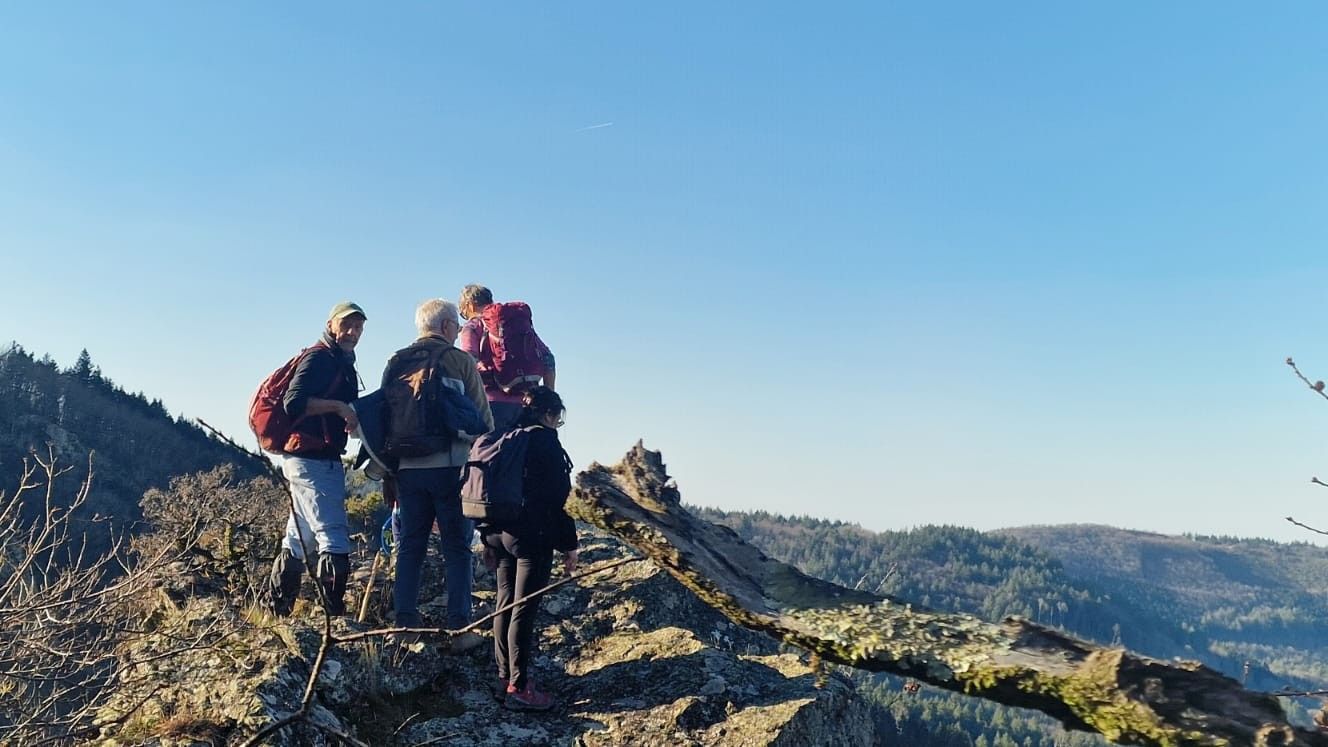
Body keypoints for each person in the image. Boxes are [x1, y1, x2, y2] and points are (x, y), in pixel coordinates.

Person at [388, 298, 493, 651]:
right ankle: (459, 628)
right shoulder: (459, 360)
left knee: (410, 546)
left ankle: (405, 625)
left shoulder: (396, 362)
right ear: (447, 326)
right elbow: (484, 422)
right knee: (457, 548)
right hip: (450, 467)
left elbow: (383, 416)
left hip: (407, 469)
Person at [479, 386, 578, 711]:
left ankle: (503, 678)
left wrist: (485, 536)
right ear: (549, 414)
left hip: (498, 532)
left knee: (504, 604)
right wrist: (569, 545)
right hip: (530, 536)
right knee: (523, 609)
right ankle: (519, 687)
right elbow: (559, 499)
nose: (557, 424)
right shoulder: (544, 441)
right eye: (558, 418)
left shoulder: (505, 438)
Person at [268, 301, 366, 617]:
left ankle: (278, 612)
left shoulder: (339, 361)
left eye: (358, 327)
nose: (352, 332)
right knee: (333, 534)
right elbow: (293, 402)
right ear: (330, 325)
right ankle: (332, 616)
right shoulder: (320, 357)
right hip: (312, 459)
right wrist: (338, 408)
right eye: (346, 325)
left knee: (299, 537)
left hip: (310, 457)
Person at [457, 284, 556, 432]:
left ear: (470, 305)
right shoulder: (514, 326)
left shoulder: (473, 326)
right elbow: (549, 359)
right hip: (526, 406)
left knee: (487, 447)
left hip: (490, 405)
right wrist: (548, 398)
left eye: (464, 313)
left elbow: (467, 361)